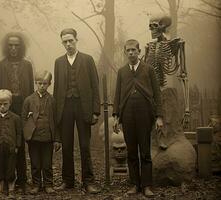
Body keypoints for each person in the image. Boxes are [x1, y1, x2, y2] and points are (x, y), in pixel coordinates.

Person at [112, 39, 163, 197]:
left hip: (144, 115)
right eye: (128, 50)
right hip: (127, 115)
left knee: (145, 151)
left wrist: (159, 117)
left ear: (139, 51)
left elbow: (157, 94)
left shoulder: (148, 70)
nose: (131, 53)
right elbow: (117, 95)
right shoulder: (122, 72)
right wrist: (116, 116)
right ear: (125, 52)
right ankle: (134, 184)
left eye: (134, 50)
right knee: (132, 151)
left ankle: (147, 185)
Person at [53, 28, 101, 194]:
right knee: (66, 146)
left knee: (85, 145)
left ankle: (88, 181)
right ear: (62, 43)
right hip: (65, 107)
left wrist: (95, 110)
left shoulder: (87, 60)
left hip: (83, 107)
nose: (68, 44)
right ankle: (68, 181)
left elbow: (95, 85)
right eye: (65, 41)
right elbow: (57, 89)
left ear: (76, 40)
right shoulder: (58, 62)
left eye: (70, 40)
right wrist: (56, 112)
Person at [0, 32, 34, 192]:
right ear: (6, 46)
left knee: (20, 143)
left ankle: (22, 180)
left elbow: (31, 90)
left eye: (17, 45)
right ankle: (4, 179)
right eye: (10, 45)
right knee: (5, 144)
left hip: (22, 107)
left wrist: (30, 111)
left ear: (21, 47)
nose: (13, 48)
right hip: (5, 107)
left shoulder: (27, 65)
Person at [21, 70, 62, 194]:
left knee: (47, 163)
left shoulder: (52, 100)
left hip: (48, 138)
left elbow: (56, 121)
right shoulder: (28, 100)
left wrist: (57, 139)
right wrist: (26, 134)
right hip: (33, 138)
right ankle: (36, 184)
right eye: (39, 83)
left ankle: (49, 184)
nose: (42, 86)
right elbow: (23, 119)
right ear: (35, 83)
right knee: (35, 163)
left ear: (49, 84)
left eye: (45, 83)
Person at [0, 89, 23, 196]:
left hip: (11, 147)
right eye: (0, 104)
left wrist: (17, 145)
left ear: (10, 103)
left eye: (5, 104)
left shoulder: (15, 118)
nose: (2, 106)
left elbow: (19, 134)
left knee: (10, 166)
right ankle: (0, 184)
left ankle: (11, 184)